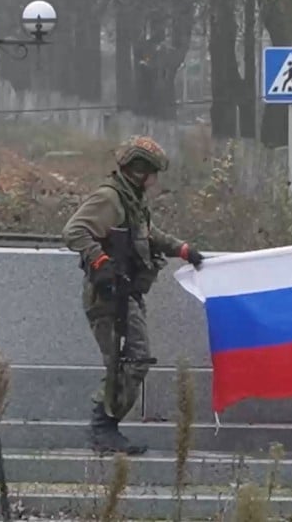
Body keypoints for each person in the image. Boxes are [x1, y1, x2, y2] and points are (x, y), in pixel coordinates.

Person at [62, 135, 204, 455]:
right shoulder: (110, 198)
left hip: (126, 294)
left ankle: (107, 426)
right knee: (124, 362)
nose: (155, 180)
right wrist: (100, 261)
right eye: (152, 172)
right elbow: (74, 231)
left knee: (135, 359)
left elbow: (147, 234)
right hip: (108, 296)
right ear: (139, 170)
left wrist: (181, 249)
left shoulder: (131, 200)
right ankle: (103, 428)